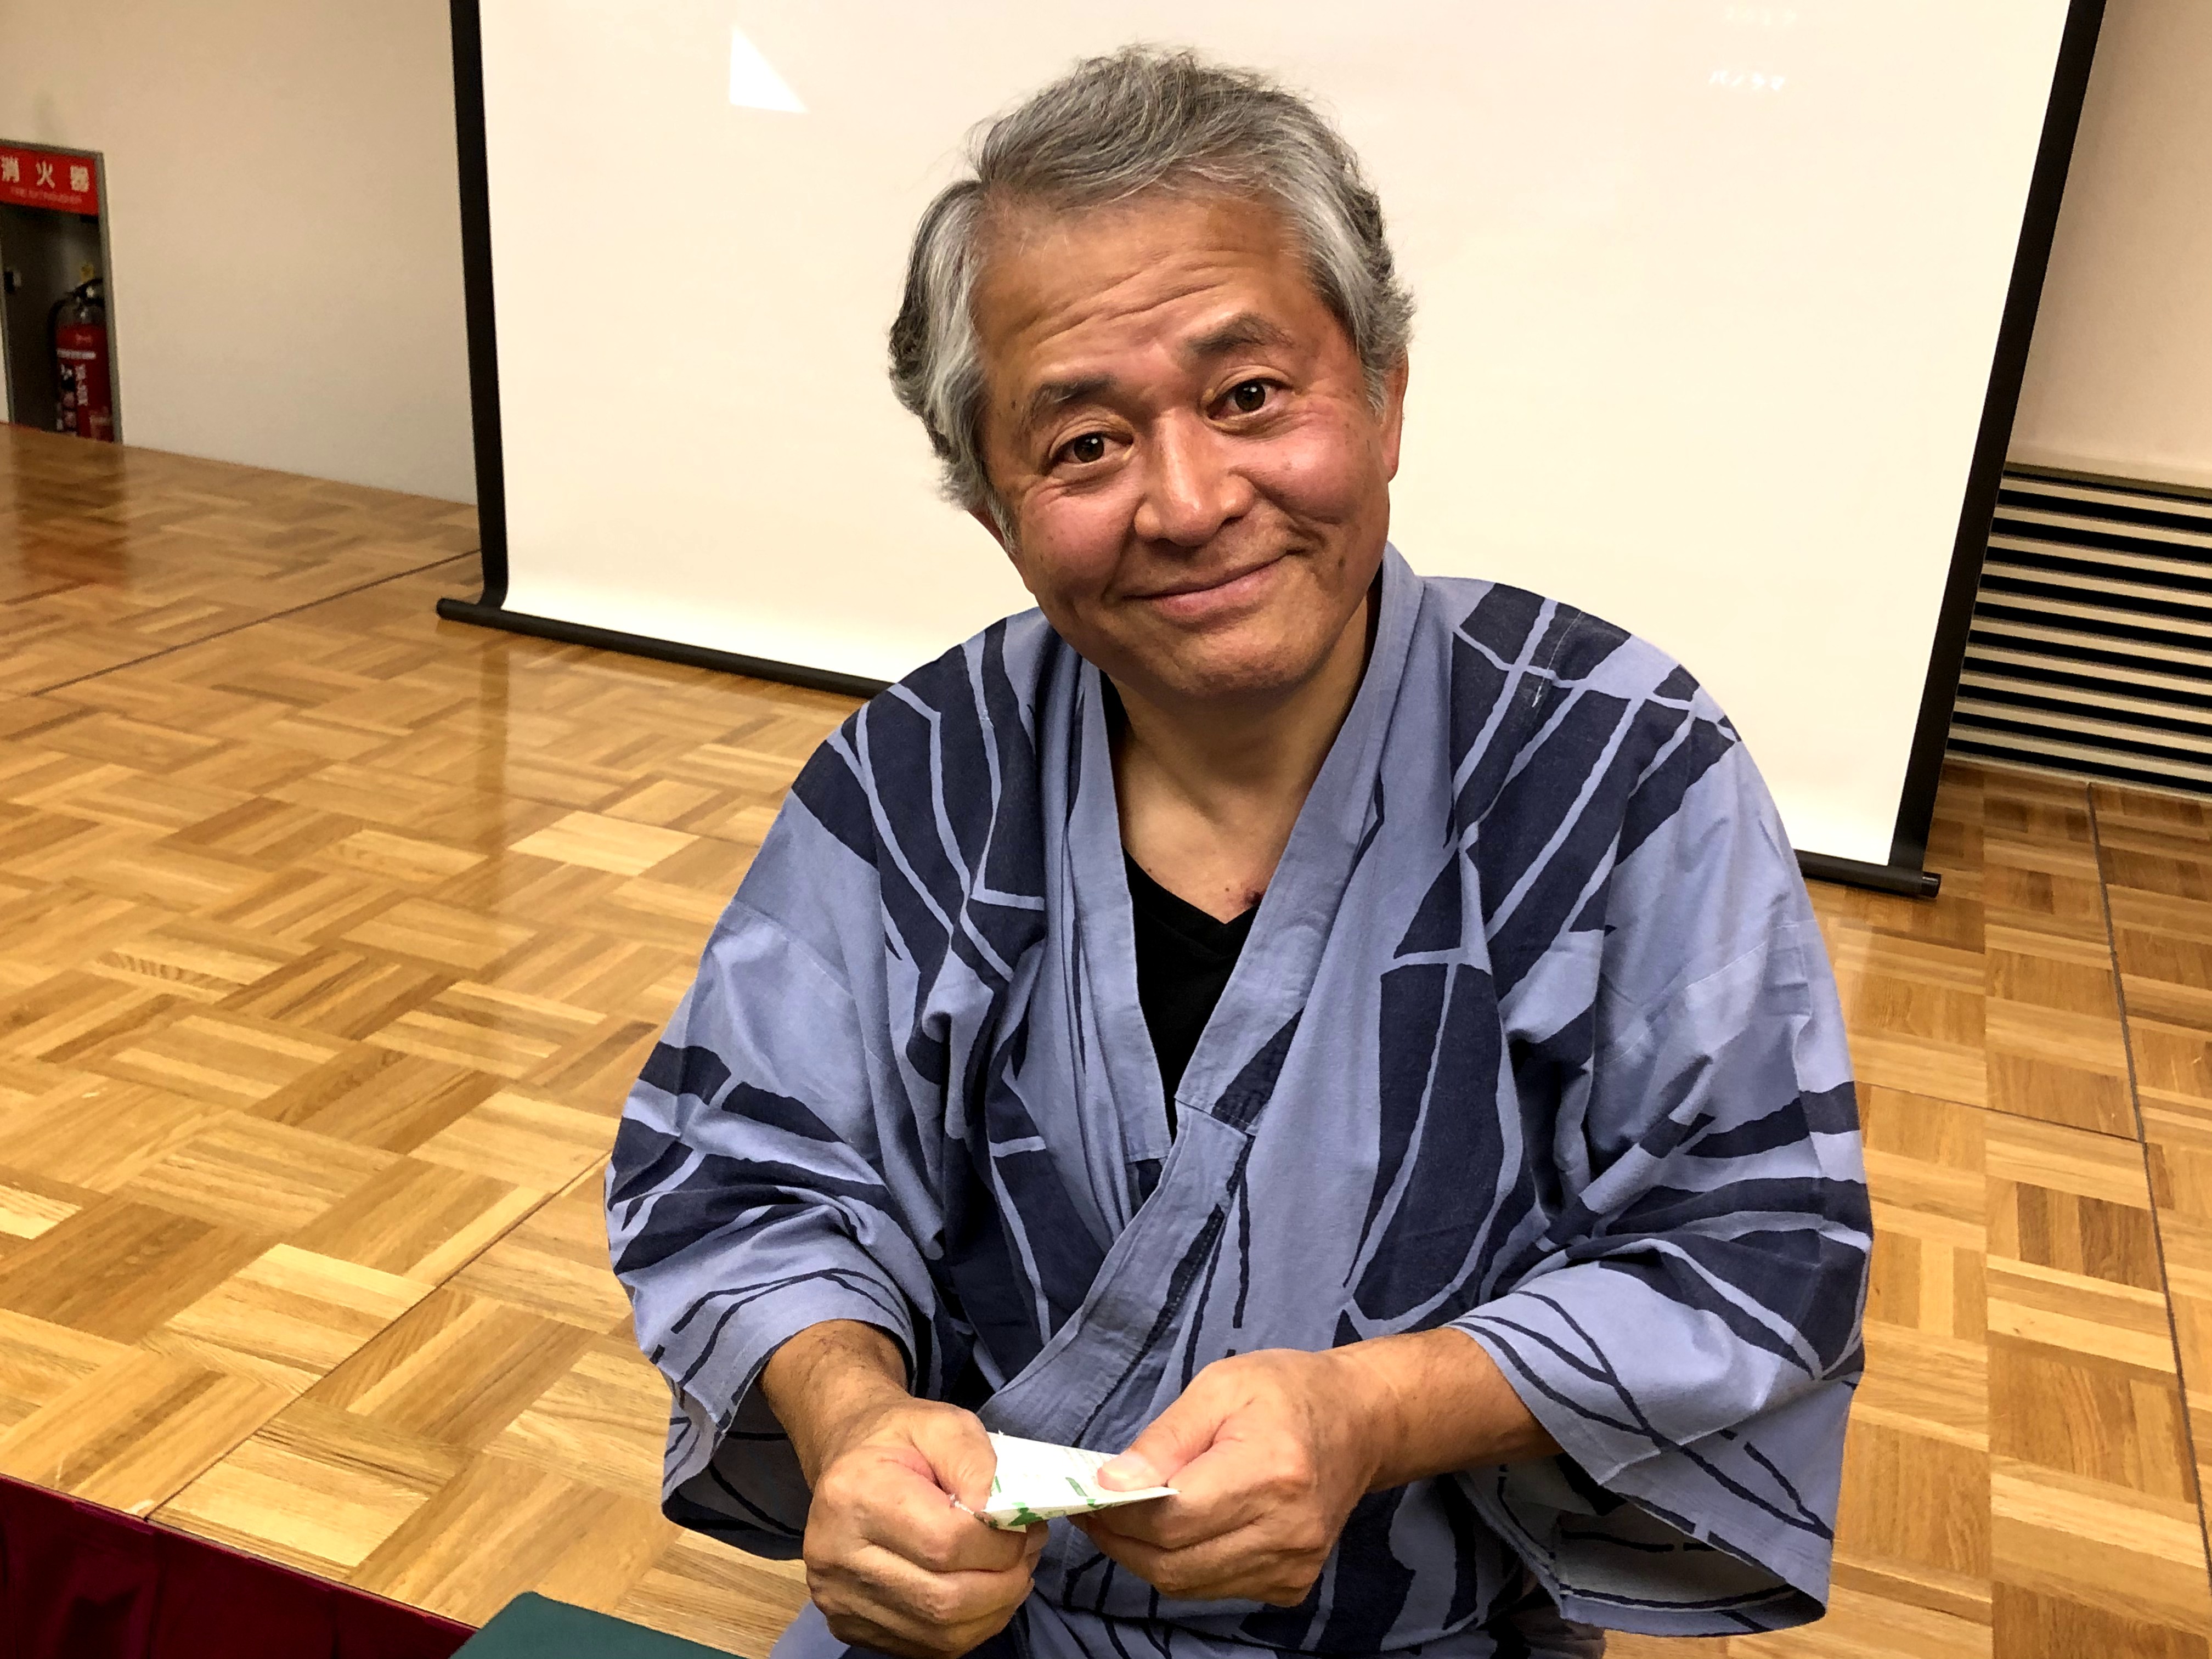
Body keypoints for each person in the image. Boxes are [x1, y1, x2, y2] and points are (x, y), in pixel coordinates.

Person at [608, 46, 1868, 1659]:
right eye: (1083, 444)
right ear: (995, 509)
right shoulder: (919, 777)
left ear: (1386, 395)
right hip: (976, 1626)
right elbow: (740, 1170)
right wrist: (852, 1418)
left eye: (1250, 396)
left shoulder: (1612, 765)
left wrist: (1374, 1410)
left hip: (1420, 1636)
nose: (1191, 500)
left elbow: (1755, 1240)